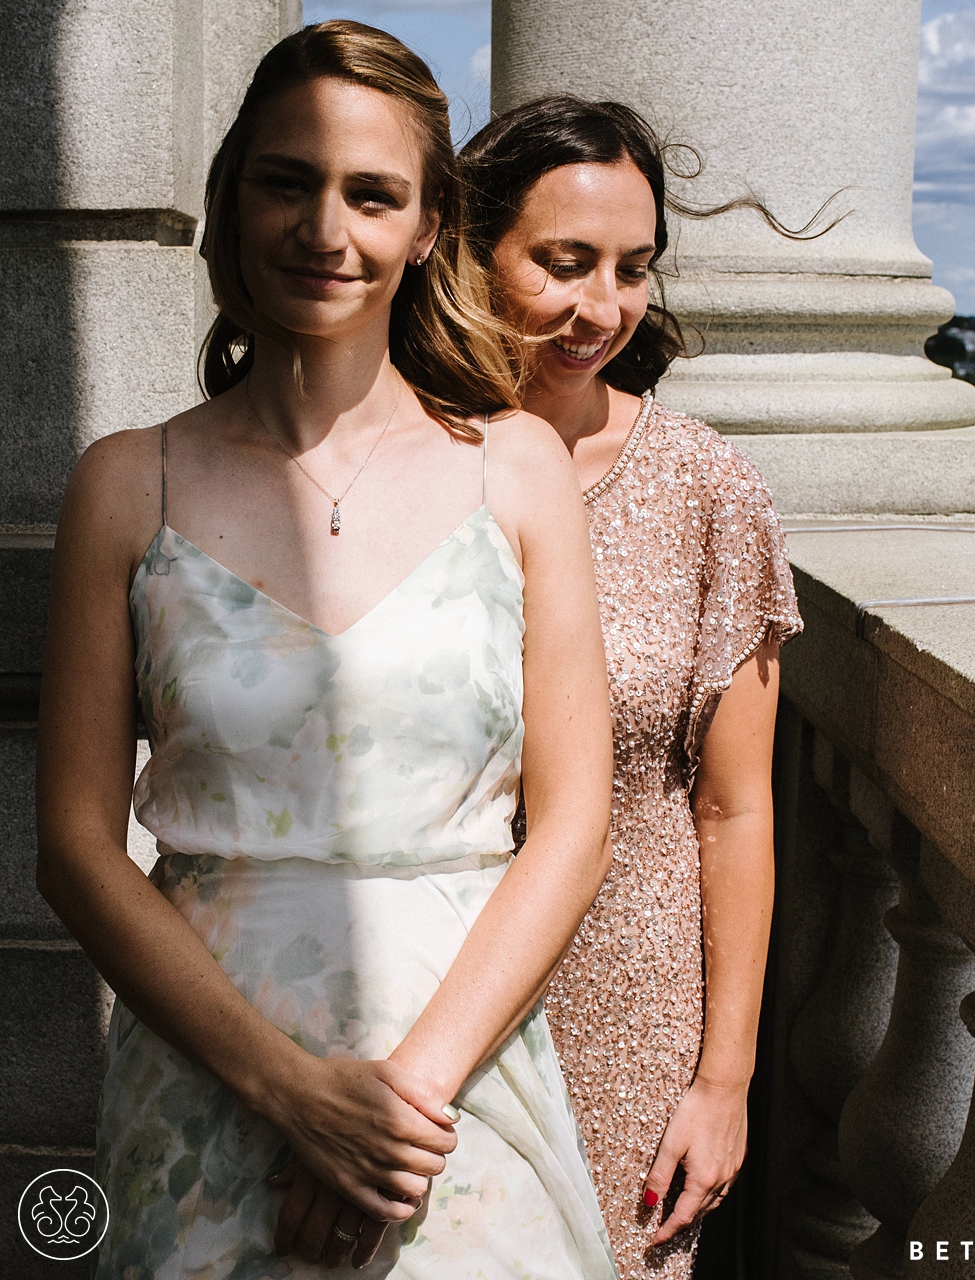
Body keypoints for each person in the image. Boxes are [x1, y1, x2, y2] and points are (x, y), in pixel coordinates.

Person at [37, 25, 618, 1279]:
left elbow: (573, 827)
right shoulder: (127, 482)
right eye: (287, 180)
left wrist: (398, 1108)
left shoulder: (515, 469)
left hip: (454, 1083)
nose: (324, 228)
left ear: (425, 228)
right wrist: (290, 1091)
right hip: (209, 1078)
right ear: (233, 198)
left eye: (371, 194)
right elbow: (77, 848)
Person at [460, 97, 804, 1276]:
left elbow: (735, 806)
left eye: (631, 269)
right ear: (466, 247)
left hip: (629, 1015)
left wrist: (722, 1078)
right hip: (414, 981)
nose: (602, 308)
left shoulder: (711, 490)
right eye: (563, 263)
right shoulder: (397, 458)